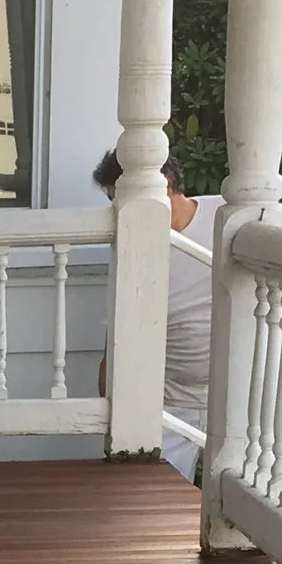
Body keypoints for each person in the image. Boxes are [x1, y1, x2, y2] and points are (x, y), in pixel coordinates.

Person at [94, 149, 216, 475]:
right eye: (113, 202)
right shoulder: (131, 251)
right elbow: (116, 343)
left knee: (251, 501)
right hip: (172, 405)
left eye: (123, 200)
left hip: (239, 398)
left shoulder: (226, 215)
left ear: (166, 183)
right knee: (149, 498)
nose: (119, 212)